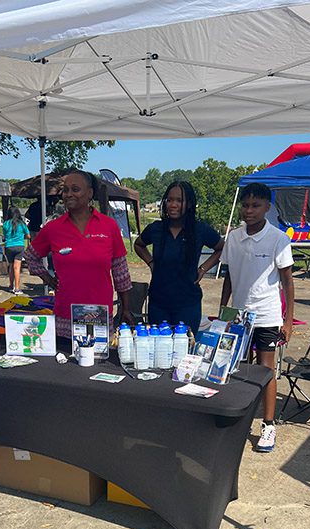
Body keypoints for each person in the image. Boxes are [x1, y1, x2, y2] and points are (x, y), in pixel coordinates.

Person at [219, 182, 295, 453]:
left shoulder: (278, 239)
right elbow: (229, 276)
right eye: (245, 205)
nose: (248, 211)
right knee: (236, 367)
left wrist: (287, 320)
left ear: (267, 208)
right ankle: (237, 418)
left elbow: (287, 282)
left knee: (265, 370)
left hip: (267, 315)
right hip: (239, 316)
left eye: (255, 206)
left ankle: (268, 425)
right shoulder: (234, 237)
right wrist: (223, 311)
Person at [24, 170, 133, 338]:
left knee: (100, 363)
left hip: (99, 315)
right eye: (65, 190)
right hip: (65, 315)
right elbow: (31, 256)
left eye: (75, 189)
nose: (68, 194)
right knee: (64, 363)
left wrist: (126, 309)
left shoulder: (108, 226)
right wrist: (49, 279)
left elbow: (121, 272)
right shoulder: (53, 228)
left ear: (90, 193)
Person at [134, 181, 224, 333]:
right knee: (159, 350)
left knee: (184, 350)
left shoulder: (199, 230)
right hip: (158, 303)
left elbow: (221, 248)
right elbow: (138, 245)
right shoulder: (156, 229)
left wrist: (203, 269)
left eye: (179, 200)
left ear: (189, 204)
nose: (173, 205)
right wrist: (151, 262)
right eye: (169, 200)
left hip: (187, 304)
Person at [3, 206, 30, 294]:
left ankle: (11, 285)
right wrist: (22, 237)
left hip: (8, 246)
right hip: (19, 246)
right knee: (17, 267)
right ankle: (17, 288)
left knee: (11, 266)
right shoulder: (22, 224)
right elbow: (28, 236)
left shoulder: (6, 223)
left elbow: (5, 235)